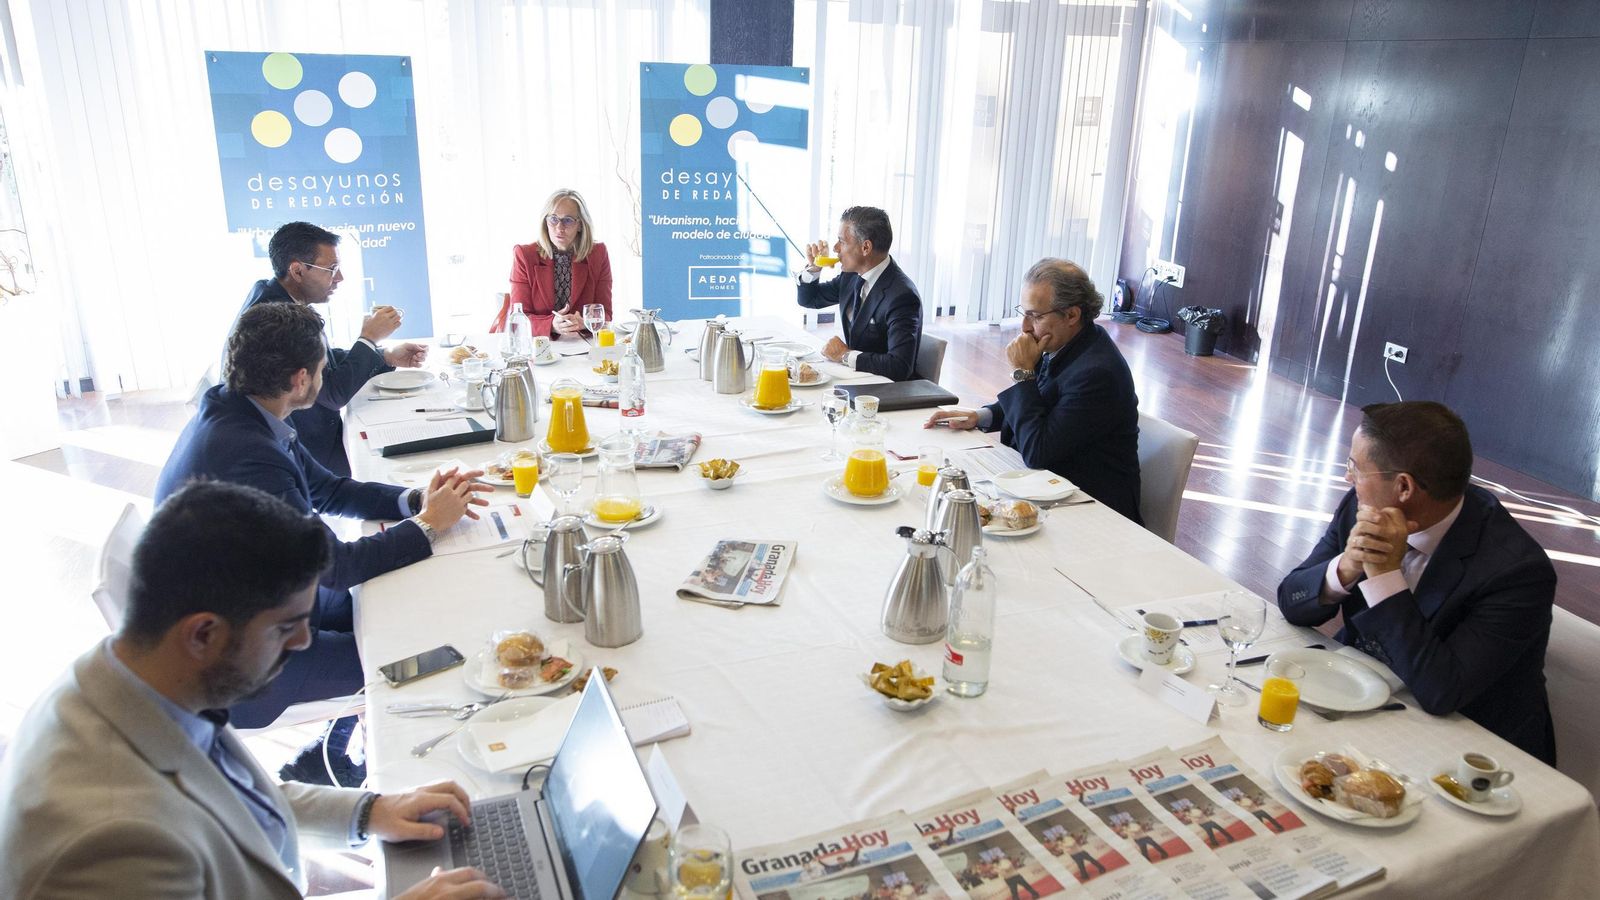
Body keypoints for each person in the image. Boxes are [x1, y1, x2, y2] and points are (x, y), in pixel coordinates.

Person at [0, 481, 504, 900]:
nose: (305, 640)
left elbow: (222, 795)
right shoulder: (112, 842)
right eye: (286, 628)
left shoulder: (137, 682)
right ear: (202, 634)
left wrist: (366, 810)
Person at [161, 302, 491, 783]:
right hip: (243, 665)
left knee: (397, 604)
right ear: (299, 380)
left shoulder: (244, 409)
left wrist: (418, 500)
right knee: (423, 649)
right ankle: (407, 775)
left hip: (257, 601)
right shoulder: (247, 454)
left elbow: (329, 489)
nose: (326, 375)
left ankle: (330, 751)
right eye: (322, 368)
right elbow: (334, 567)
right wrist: (428, 526)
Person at [1277, 401, 1558, 765]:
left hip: (1476, 752)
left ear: (1404, 488)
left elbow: (1443, 690)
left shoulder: (1517, 573)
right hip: (1367, 696)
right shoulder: (1363, 507)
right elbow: (1291, 599)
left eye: (1355, 467)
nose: (1349, 478)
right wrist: (1346, 567)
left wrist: (1384, 576)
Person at [925, 258, 1141, 523]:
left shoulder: (1097, 373)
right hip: (1049, 486)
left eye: (1036, 316)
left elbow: (1038, 451)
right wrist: (981, 416)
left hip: (1094, 509)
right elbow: (1040, 401)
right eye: (1024, 313)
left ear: (1072, 315)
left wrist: (1023, 373)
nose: (1025, 327)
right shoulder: (1066, 341)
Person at [234, 221, 429, 476]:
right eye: (331, 269)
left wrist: (384, 355)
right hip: (301, 447)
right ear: (297, 270)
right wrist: (368, 339)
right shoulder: (275, 316)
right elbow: (332, 393)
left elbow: (323, 358)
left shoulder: (276, 295)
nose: (339, 278)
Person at [797, 206, 923, 381]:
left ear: (866, 247)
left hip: (883, 391)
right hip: (855, 380)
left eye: (842, 241)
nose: (835, 248)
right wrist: (815, 267)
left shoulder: (902, 297)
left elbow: (899, 367)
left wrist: (845, 355)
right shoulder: (851, 276)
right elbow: (809, 299)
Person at [496, 188, 613, 339]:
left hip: (582, 345)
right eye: (553, 219)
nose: (559, 227)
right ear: (546, 221)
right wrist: (551, 324)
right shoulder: (525, 255)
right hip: (540, 346)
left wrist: (585, 322)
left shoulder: (598, 254)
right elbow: (518, 319)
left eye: (568, 220)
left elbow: (606, 314)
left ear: (580, 225)